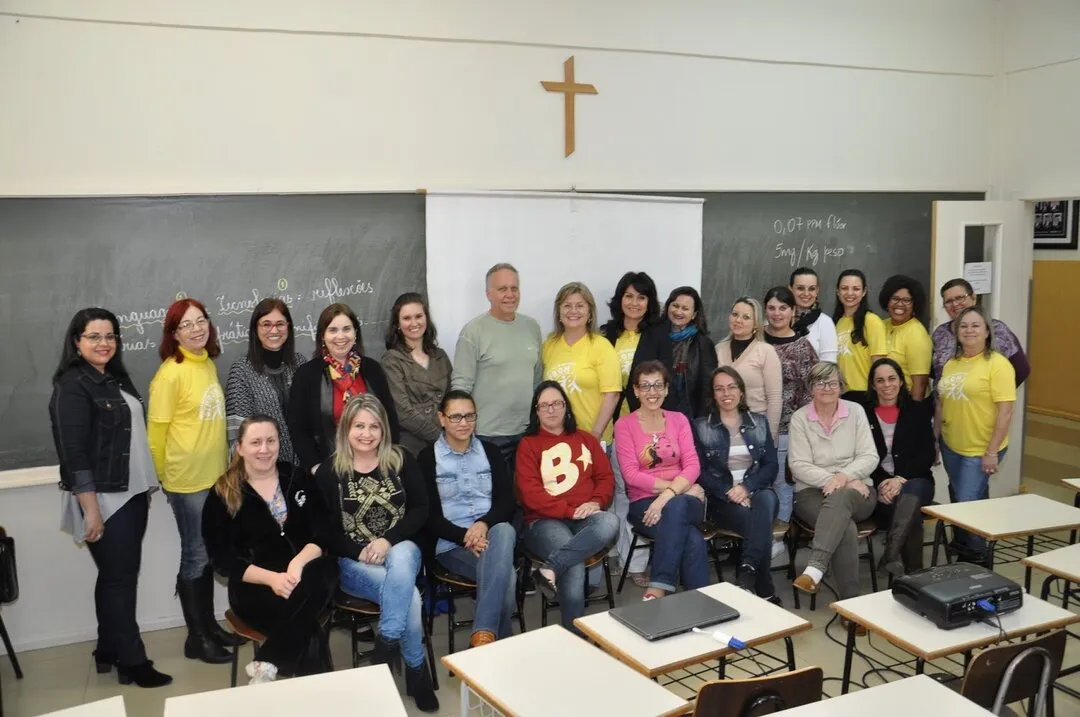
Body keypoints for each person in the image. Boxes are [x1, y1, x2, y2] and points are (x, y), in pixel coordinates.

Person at [48, 308, 172, 688]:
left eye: (110, 336)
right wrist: (91, 510)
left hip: (131, 493)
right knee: (121, 580)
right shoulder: (73, 385)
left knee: (115, 576)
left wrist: (143, 488)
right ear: (77, 342)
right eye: (94, 336)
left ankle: (107, 648)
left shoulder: (115, 377)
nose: (104, 343)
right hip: (103, 499)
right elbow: (73, 454)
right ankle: (133, 662)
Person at [314, 394, 437, 712]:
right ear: (346, 428)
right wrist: (360, 551)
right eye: (359, 426)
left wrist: (387, 541)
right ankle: (416, 671)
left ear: (384, 429)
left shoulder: (401, 459)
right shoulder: (329, 471)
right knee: (409, 596)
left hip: (401, 551)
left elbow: (421, 508)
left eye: (374, 426)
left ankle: (388, 640)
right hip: (354, 562)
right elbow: (325, 531)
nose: (366, 434)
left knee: (404, 555)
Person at [202, 416, 338, 684]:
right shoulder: (222, 493)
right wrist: (273, 580)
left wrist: (298, 563)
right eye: (255, 442)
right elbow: (223, 561)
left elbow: (325, 530)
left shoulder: (298, 477)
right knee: (309, 632)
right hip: (255, 589)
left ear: (279, 443)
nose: (264, 449)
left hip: (305, 578)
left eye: (270, 441)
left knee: (328, 569)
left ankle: (267, 662)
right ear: (240, 447)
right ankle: (315, 698)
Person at [148, 298, 236, 664]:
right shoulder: (170, 374)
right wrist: (165, 480)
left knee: (208, 552)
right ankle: (197, 637)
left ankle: (209, 627)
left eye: (201, 321)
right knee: (196, 554)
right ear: (174, 334)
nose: (196, 329)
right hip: (187, 482)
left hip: (214, 478)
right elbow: (156, 435)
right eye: (186, 324)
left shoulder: (206, 364)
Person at [516, 381, 619, 635]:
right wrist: (569, 511)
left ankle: (550, 568)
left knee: (610, 521)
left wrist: (596, 502)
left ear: (566, 407)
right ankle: (575, 634)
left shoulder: (586, 439)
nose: (551, 409)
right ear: (536, 411)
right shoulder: (528, 445)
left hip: (586, 516)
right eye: (544, 405)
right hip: (544, 521)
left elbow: (605, 478)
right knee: (572, 561)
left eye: (556, 403)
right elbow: (530, 495)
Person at [418, 390, 517, 647]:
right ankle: (501, 643)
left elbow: (507, 501)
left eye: (470, 416)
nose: (464, 423)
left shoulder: (491, 452)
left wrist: (483, 525)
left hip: (493, 538)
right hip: (452, 546)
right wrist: (465, 536)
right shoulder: (428, 458)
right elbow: (428, 516)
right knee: (507, 579)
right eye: (456, 417)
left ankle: (483, 636)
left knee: (505, 529)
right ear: (442, 418)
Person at [614, 361, 707, 600]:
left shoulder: (679, 420)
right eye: (645, 386)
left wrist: (665, 497)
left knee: (678, 506)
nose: (652, 392)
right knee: (693, 539)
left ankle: (659, 584)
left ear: (666, 389)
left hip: (683, 503)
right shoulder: (624, 425)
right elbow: (631, 475)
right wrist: (677, 490)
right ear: (635, 391)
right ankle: (699, 602)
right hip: (646, 504)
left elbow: (693, 465)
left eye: (657, 385)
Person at [788, 362, 879, 602]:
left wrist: (843, 477)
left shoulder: (856, 412)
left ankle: (815, 567)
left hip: (858, 492)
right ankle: (851, 603)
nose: (827, 388)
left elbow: (870, 456)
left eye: (832, 382)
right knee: (844, 526)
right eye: (820, 382)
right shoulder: (800, 418)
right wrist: (836, 480)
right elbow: (798, 465)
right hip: (811, 492)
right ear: (810, 388)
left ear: (841, 386)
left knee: (842, 500)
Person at [692, 367, 780, 602]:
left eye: (731, 387)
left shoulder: (759, 422)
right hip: (722, 501)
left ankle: (749, 568)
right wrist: (729, 492)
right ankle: (763, 587)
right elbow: (698, 471)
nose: (726, 393)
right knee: (757, 523)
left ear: (741, 391)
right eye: (719, 389)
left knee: (766, 499)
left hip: (758, 493)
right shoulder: (700, 426)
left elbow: (771, 466)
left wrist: (746, 487)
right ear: (713, 395)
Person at [936, 307, 1016, 559]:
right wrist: (936, 439)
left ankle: (978, 558)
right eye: (963, 326)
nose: (969, 330)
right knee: (964, 497)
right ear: (956, 332)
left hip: (981, 449)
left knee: (966, 502)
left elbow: (1006, 412)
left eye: (975, 325)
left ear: (987, 332)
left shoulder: (998, 365)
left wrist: (991, 451)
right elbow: (942, 403)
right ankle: (965, 550)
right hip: (951, 445)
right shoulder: (952, 364)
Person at [452, 263, 543, 473]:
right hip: (487, 436)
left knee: (525, 493)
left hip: (527, 432)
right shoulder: (473, 332)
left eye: (514, 288)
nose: (510, 295)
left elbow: (538, 380)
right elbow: (461, 386)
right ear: (489, 294)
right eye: (502, 289)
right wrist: (462, 429)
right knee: (495, 493)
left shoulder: (532, 327)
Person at [288, 303, 400, 474]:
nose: (340, 336)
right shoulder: (306, 375)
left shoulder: (372, 369)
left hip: (375, 465)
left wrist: (387, 459)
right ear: (322, 336)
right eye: (333, 330)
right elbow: (298, 429)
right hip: (328, 469)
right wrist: (316, 467)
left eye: (347, 329)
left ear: (355, 333)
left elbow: (389, 418)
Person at [600, 272, 661, 581]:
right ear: (619, 299)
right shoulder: (605, 334)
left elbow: (663, 383)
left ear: (649, 302)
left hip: (641, 430)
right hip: (606, 427)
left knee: (632, 494)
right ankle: (612, 553)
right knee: (609, 494)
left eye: (641, 297)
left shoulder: (657, 335)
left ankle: (633, 563)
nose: (634, 303)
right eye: (628, 296)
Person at [862, 359, 936, 577]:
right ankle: (914, 575)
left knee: (909, 494)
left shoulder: (917, 411)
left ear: (901, 381)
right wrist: (883, 482)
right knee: (909, 509)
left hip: (916, 480)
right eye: (880, 380)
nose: (887, 385)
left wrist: (900, 478)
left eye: (892, 378)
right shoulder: (862, 414)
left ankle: (892, 553)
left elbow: (927, 454)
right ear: (873, 385)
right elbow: (860, 455)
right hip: (880, 488)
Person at [762, 286, 818, 554]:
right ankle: (755, 533)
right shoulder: (755, 340)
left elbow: (813, 389)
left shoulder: (802, 347)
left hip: (787, 429)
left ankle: (777, 537)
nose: (777, 313)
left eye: (783, 308)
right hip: (754, 428)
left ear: (793, 311)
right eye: (771, 308)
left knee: (782, 484)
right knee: (757, 483)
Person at [225, 298, 306, 464]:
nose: (274, 330)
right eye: (266, 324)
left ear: (288, 327)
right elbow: (238, 436)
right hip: (262, 466)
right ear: (256, 329)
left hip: (303, 466)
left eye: (280, 324)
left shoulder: (300, 364)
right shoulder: (241, 371)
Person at [542, 281, 622, 444]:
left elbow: (612, 395)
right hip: (556, 439)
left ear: (590, 312)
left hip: (591, 438)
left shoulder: (601, 346)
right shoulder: (549, 344)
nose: (573, 311)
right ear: (558, 312)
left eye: (580, 306)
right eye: (567, 305)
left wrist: (595, 434)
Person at [380, 292, 452, 457]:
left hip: (446, 438)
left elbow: (451, 399)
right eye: (406, 318)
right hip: (413, 444)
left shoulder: (440, 356)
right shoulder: (391, 360)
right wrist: (440, 437)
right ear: (397, 324)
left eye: (418, 316)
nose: (414, 323)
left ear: (426, 318)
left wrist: (453, 432)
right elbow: (402, 411)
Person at [630, 287, 718, 419]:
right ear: (668, 307)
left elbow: (708, 386)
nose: (678, 311)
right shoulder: (653, 335)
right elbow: (640, 371)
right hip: (655, 405)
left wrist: (703, 417)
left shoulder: (703, 343)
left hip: (689, 410)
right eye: (675, 306)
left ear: (694, 314)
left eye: (685, 308)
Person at [931, 278, 1030, 387]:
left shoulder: (997, 329)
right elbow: (933, 371)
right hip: (944, 397)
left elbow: (1021, 370)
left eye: (960, 298)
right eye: (948, 301)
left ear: (973, 298)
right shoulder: (940, 333)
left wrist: (998, 392)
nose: (955, 304)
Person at [715, 296, 782, 440]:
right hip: (723, 428)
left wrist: (770, 436)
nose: (738, 320)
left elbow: (775, 398)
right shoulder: (719, 349)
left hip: (756, 427)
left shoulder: (766, 351)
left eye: (746, 317)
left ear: (756, 323)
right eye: (735, 314)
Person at [832, 269, 887, 399]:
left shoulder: (872, 321)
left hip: (864, 393)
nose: (850, 293)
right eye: (844, 288)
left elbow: (879, 365)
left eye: (856, 289)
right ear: (837, 291)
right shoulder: (836, 322)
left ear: (864, 292)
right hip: (839, 394)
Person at [878, 275, 932, 400]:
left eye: (907, 300)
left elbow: (920, 383)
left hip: (907, 402)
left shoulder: (917, 333)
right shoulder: (881, 325)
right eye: (895, 298)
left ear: (914, 304)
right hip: (884, 400)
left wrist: (912, 410)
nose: (899, 304)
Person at [789, 267, 838, 363]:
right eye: (800, 288)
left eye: (812, 289)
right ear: (790, 289)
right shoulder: (777, 318)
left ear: (817, 291)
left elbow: (828, 365)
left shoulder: (825, 322)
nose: (806, 293)